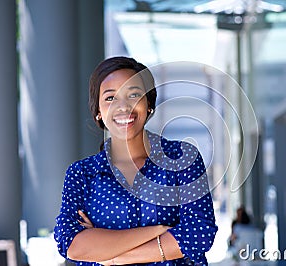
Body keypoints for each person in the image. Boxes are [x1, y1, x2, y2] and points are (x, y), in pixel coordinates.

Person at [54, 56, 218, 265]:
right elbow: (70, 244)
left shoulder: (182, 158)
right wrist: (159, 230)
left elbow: (199, 235)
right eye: (110, 98)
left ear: (149, 103)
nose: (123, 106)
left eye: (133, 94)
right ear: (98, 112)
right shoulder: (82, 174)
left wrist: (111, 256)